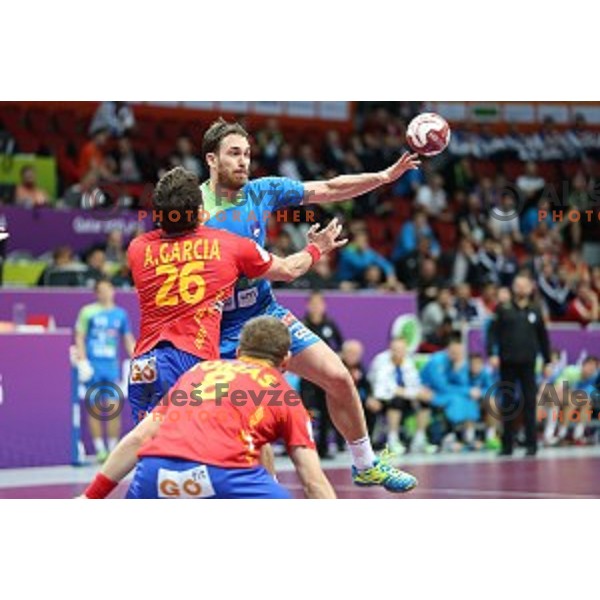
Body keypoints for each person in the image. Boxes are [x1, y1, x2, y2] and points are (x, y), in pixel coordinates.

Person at [199, 118, 420, 492]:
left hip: (265, 314)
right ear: (212, 160)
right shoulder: (192, 209)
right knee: (256, 421)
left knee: (338, 377)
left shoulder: (261, 191)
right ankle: (262, 494)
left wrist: (382, 177)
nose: (243, 162)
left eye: (247, 154)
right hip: (218, 328)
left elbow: (329, 188)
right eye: (233, 154)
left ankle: (365, 464)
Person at [127, 166, 346, 430]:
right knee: (201, 450)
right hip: (191, 362)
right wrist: (316, 248)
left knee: (146, 447)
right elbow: (288, 270)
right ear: (199, 213)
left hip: (143, 366)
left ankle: (106, 475)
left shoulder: (137, 249)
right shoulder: (227, 246)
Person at [80, 317, 338, 499]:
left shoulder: (199, 371)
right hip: (222, 477)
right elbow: (314, 483)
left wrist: (90, 497)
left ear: (238, 352)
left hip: (154, 476)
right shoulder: (285, 395)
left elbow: (139, 437)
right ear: (286, 361)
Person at [487, 275, 551, 457]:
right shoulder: (503, 309)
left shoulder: (536, 310)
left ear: (531, 288)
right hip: (507, 361)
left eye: (525, 285)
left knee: (530, 402)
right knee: (507, 403)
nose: (522, 289)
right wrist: (492, 353)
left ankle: (531, 444)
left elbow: (543, 338)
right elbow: (492, 333)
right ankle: (507, 445)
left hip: (528, 363)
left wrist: (547, 361)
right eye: (518, 285)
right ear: (513, 288)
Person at [75, 279, 136, 462]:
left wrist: (136, 359)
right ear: (96, 293)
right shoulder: (88, 312)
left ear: (113, 291)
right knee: (93, 407)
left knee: (113, 408)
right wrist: (83, 361)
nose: (106, 293)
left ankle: (112, 448)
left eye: (108, 289)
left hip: (111, 367)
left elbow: (127, 339)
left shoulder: (121, 314)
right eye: (101, 290)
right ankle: (100, 449)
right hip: (93, 366)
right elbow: (80, 337)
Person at [299, 291, 344, 458]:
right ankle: (304, 446)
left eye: (319, 303)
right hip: (308, 377)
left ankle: (324, 448)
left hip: (325, 378)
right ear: (308, 306)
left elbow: (341, 347)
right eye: (313, 303)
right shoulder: (302, 325)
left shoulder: (330, 324)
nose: (316, 307)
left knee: (326, 412)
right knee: (306, 412)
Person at [369, 338, 433, 454]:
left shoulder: (408, 361)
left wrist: (421, 392)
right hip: (382, 398)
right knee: (396, 401)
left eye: (402, 350)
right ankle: (393, 439)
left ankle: (419, 439)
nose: (399, 352)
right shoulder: (381, 360)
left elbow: (414, 383)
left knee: (425, 402)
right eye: (396, 349)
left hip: (405, 397)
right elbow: (387, 388)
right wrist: (413, 393)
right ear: (390, 350)